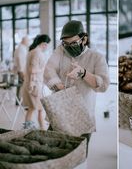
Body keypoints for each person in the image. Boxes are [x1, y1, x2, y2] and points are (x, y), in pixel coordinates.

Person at [43, 20, 110, 150]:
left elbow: (103, 85)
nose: (69, 46)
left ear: (84, 39)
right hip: (59, 111)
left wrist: (83, 73)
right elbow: (48, 70)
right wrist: (59, 86)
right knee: (51, 151)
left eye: (74, 43)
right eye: (66, 44)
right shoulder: (60, 52)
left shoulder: (97, 57)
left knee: (77, 155)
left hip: (83, 115)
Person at [22, 34, 51, 130]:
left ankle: (36, 126)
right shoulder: (37, 53)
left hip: (32, 84)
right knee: (37, 108)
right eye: (47, 44)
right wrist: (43, 68)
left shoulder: (32, 51)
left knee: (35, 108)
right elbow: (32, 70)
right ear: (43, 43)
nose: (47, 47)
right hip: (34, 85)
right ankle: (40, 128)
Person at [13, 36, 30, 102]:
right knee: (24, 86)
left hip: (20, 70)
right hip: (21, 70)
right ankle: (24, 102)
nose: (28, 42)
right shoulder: (21, 48)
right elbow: (20, 60)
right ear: (24, 41)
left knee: (20, 86)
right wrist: (22, 71)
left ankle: (18, 100)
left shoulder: (20, 48)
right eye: (27, 41)